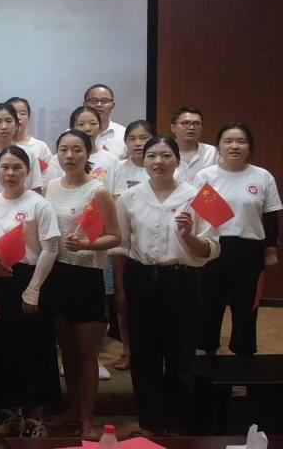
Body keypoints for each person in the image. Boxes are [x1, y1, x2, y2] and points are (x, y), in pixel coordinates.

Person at [114, 136, 220, 435]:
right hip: (141, 278)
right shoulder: (129, 197)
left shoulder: (202, 195)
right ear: (144, 160)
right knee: (144, 356)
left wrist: (188, 236)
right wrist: (120, 289)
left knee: (181, 355)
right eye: (151, 156)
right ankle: (150, 423)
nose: (158, 162)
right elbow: (121, 247)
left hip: (182, 280)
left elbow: (212, 249)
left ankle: (178, 425)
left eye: (165, 155)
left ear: (178, 160)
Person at [44, 130, 121, 438]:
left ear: (88, 154)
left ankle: (88, 419)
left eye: (77, 149)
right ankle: (71, 410)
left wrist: (87, 245)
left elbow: (115, 236)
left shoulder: (98, 190)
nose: (70, 155)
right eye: (64, 149)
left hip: (87, 275)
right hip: (57, 274)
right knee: (67, 352)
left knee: (87, 355)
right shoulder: (50, 187)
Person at [0, 146, 61, 438]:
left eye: (17, 167)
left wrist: (33, 290)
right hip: (1, 282)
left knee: (35, 348)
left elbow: (50, 248)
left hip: (32, 279)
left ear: (28, 171)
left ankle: (35, 415)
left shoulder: (39, 204)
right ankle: (10, 412)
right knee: (4, 347)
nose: (11, 173)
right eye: (5, 167)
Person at [196, 123, 281, 356]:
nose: (234, 146)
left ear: (249, 147)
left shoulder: (262, 176)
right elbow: (198, 215)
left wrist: (271, 250)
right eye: (228, 141)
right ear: (218, 147)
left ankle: (243, 353)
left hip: (249, 250)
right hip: (214, 247)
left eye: (241, 141)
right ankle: (207, 352)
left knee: (246, 306)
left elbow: (270, 215)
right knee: (210, 303)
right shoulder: (206, 176)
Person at [69, 105, 125, 381]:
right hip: (66, 247)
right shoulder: (59, 162)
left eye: (92, 123)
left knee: (100, 302)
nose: (87, 127)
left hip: (99, 241)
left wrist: (97, 233)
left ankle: (96, 356)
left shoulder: (110, 160)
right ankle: (68, 357)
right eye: (81, 123)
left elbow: (115, 198)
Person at [108, 120, 157, 372]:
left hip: (152, 243)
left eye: (144, 138)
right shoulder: (117, 168)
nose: (138, 143)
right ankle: (127, 349)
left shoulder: (162, 166)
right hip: (123, 242)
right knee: (123, 300)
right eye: (132, 139)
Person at [7, 97, 59, 184]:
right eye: (13, 113)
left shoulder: (41, 147)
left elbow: (51, 177)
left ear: (29, 117)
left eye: (23, 113)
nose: (18, 117)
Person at [169, 107, 220, 184]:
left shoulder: (212, 152)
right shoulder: (165, 151)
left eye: (197, 124)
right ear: (173, 127)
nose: (191, 127)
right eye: (185, 123)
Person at [82, 84, 126, 159]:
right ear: (84, 104)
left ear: (113, 105)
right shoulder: (70, 135)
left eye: (104, 101)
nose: (99, 105)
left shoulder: (124, 134)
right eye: (93, 101)